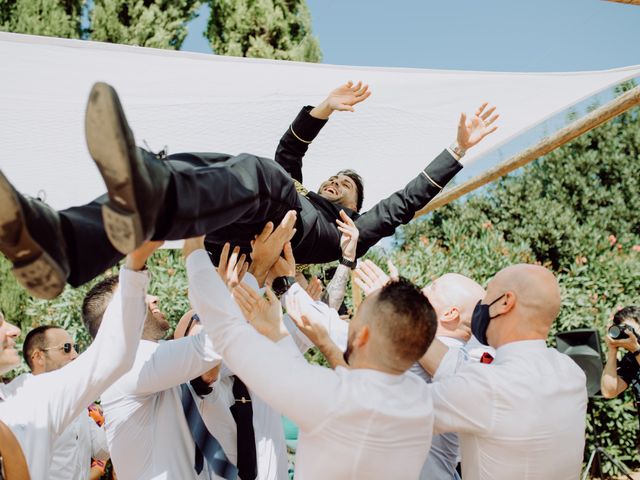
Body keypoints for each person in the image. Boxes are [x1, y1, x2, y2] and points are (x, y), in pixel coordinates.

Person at [0, 80, 498, 299]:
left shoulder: (347, 230)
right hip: (229, 227)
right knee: (208, 169)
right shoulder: (297, 188)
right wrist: (322, 107)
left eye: (346, 185)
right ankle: (67, 242)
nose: (336, 182)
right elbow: (290, 154)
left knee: (257, 173)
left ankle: (151, 187)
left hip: (277, 232)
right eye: (335, 177)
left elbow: (401, 206)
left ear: (353, 208)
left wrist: (455, 150)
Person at [183, 229, 441, 479]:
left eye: (355, 320)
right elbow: (360, 388)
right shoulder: (421, 400)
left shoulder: (329, 397)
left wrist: (193, 245)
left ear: (362, 336)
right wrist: (316, 341)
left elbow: (226, 334)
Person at [0, 241, 158, 479]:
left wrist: (135, 267)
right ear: (37, 356)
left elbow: (111, 354)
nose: (14, 330)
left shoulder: (33, 395)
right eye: (0, 323)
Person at [419, 264, 588, 480]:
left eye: (488, 295)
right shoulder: (572, 372)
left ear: (505, 303)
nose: (480, 307)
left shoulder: (488, 385)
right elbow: (454, 368)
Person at [15, 325, 110, 480]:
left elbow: (101, 450)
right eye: (66, 348)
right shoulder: (20, 402)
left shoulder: (75, 401)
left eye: (75, 347)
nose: (75, 355)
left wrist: (118, 403)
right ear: (38, 356)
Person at [601, 306, 640, 408]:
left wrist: (636, 350)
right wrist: (612, 350)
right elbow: (609, 392)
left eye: (629, 328)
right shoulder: (631, 358)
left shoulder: (635, 352)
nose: (627, 333)